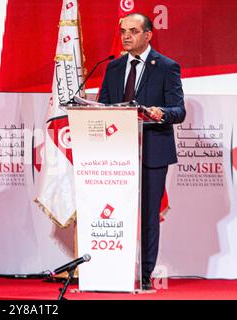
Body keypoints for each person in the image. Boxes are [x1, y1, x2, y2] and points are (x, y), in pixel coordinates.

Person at [98, 13, 186, 290]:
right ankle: (111, 269)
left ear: (148, 35)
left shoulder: (166, 67)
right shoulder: (113, 67)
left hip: (152, 151)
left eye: (133, 31)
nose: (126, 36)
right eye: (123, 31)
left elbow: (179, 111)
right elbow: (103, 107)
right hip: (117, 152)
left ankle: (146, 275)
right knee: (112, 212)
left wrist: (162, 113)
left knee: (148, 216)